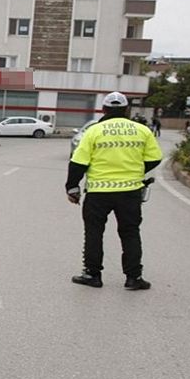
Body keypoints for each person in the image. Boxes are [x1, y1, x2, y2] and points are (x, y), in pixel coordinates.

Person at [65, 91, 162, 290]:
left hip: (98, 192)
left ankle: (93, 274)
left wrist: (72, 187)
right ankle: (134, 277)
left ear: (104, 109)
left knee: (94, 232)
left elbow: (78, 162)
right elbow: (155, 157)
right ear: (126, 109)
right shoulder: (142, 130)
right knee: (130, 233)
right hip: (130, 191)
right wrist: (136, 170)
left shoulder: (94, 131)